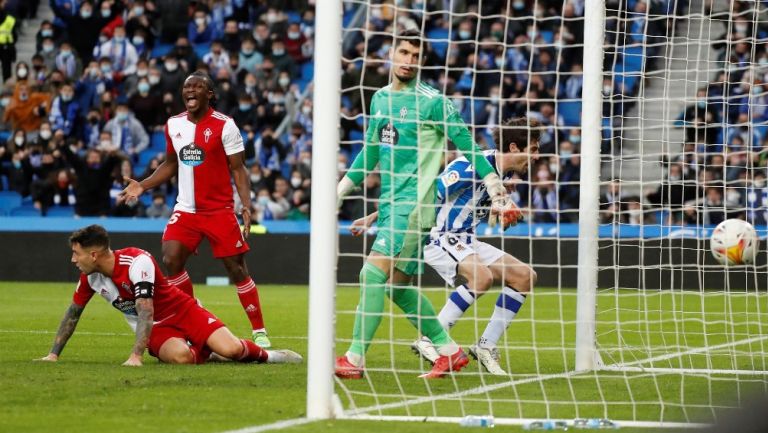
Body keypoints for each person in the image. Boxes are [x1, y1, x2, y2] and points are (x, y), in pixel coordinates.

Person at [334, 29, 513, 379]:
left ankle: (354, 359)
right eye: (403, 52)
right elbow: (370, 151)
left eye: (416, 56)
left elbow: (468, 145)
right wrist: (339, 189)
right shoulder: (380, 99)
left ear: (422, 61)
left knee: (370, 275)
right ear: (391, 54)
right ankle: (449, 351)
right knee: (398, 288)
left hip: (414, 207)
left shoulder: (434, 102)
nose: (408, 60)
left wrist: (494, 188)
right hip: (389, 205)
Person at [353, 117, 540, 375]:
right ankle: (429, 339)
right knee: (481, 278)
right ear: (514, 147)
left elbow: (469, 205)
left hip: (465, 238)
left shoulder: (503, 174)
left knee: (524, 276)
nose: (538, 156)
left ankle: (486, 346)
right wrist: (376, 215)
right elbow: (427, 192)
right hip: (438, 234)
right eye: (534, 148)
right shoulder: (471, 166)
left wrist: (498, 208)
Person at [119, 71, 272, 348]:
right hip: (186, 210)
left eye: (197, 87)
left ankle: (259, 329)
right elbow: (169, 164)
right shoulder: (174, 124)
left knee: (236, 268)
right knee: (171, 258)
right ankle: (194, 314)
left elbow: (238, 169)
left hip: (219, 210)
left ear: (209, 94)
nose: (190, 91)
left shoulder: (226, 126)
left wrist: (245, 205)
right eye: (187, 86)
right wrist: (143, 185)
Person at [36, 225, 301, 366]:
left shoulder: (137, 262)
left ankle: (273, 356)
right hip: (157, 329)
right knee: (182, 359)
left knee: (232, 349)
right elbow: (73, 313)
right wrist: (53, 354)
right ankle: (208, 352)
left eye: (76, 253)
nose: (73, 260)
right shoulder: (90, 277)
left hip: (182, 310)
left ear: (93, 254)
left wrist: (136, 356)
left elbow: (145, 310)